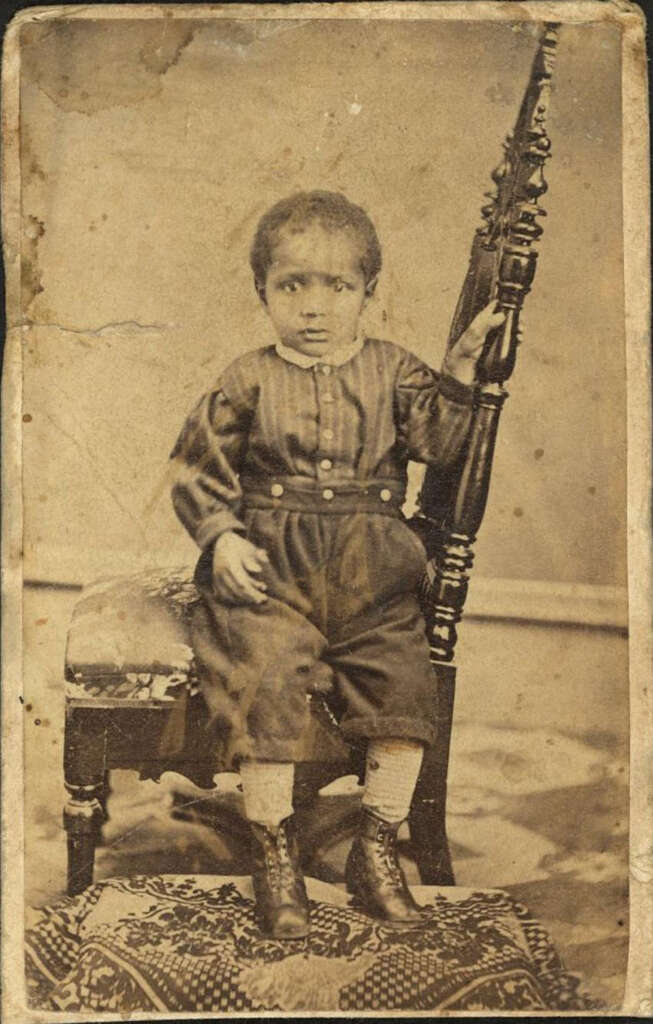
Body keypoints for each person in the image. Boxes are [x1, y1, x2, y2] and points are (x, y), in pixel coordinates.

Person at [170, 190, 504, 939]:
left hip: (374, 574)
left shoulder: (393, 370)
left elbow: (446, 447)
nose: (313, 308)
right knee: (264, 678)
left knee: (403, 688)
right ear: (263, 292)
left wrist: (454, 374)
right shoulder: (245, 377)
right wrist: (221, 538)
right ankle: (274, 850)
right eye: (292, 286)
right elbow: (195, 471)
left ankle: (376, 851)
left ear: (368, 294)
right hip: (271, 571)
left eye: (337, 287)